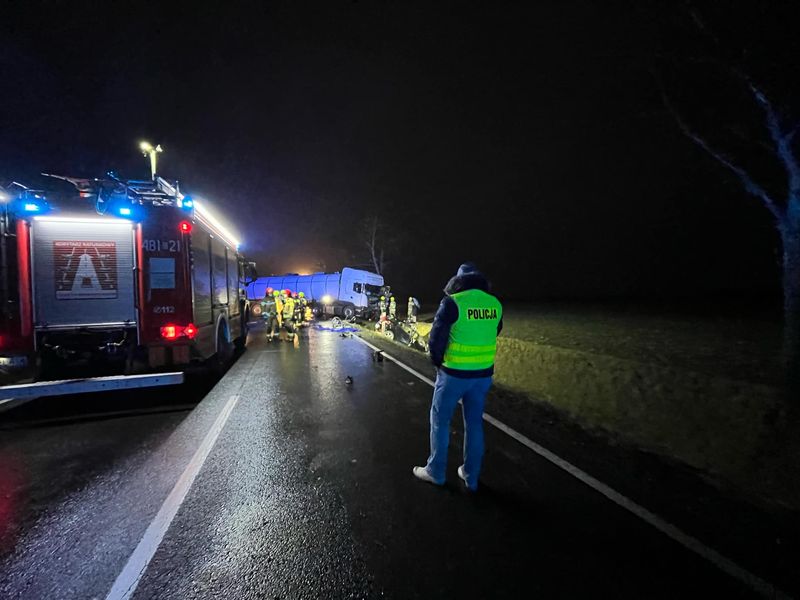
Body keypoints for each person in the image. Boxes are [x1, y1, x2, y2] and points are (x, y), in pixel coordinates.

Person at [413, 262, 503, 492]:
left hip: (453, 374)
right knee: (474, 423)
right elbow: (495, 329)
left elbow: (436, 338)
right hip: (482, 375)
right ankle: (471, 477)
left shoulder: (453, 302)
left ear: (459, 280)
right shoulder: (494, 303)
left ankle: (436, 472)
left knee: (440, 421)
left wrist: (437, 362)